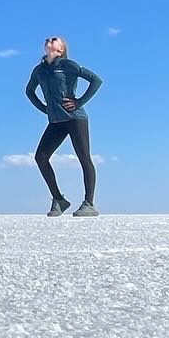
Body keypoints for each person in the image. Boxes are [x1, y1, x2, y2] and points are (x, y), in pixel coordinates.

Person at [25, 35, 103, 217]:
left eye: (55, 39)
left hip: (75, 118)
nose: (49, 40)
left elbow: (96, 80)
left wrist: (79, 102)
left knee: (84, 158)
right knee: (41, 157)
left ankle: (89, 204)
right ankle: (59, 199)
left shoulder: (67, 65)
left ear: (61, 49)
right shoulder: (39, 70)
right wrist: (44, 109)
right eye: (48, 39)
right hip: (55, 122)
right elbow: (29, 91)